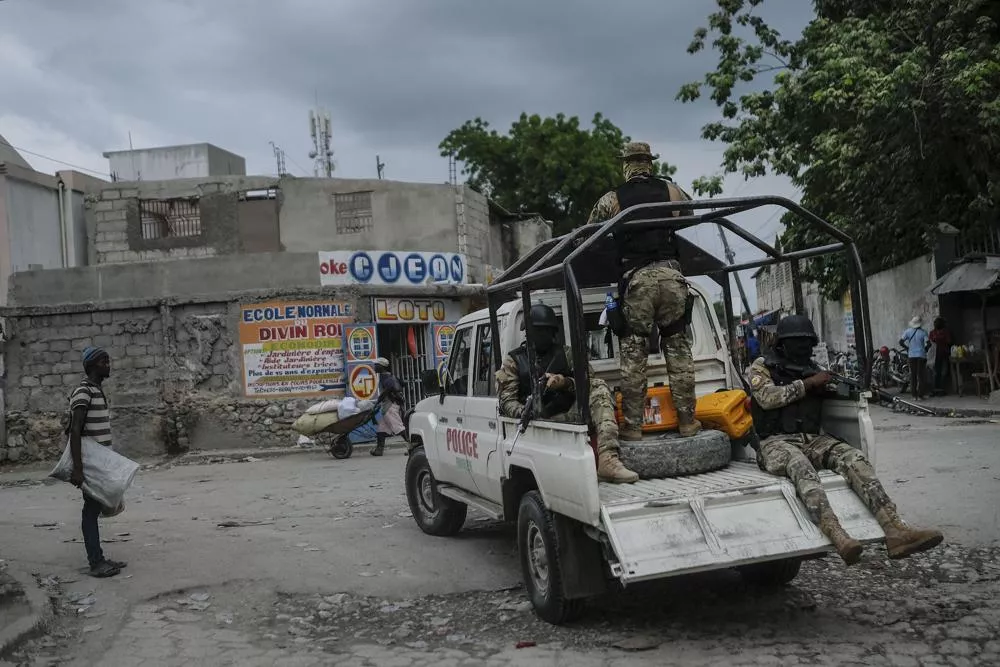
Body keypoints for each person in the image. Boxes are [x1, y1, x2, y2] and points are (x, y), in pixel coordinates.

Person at [748, 315, 942, 565]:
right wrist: (807, 385)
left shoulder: (811, 367)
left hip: (811, 438)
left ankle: (896, 531)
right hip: (774, 443)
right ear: (782, 343)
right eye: (797, 341)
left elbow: (827, 393)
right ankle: (837, 535)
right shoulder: (762, 366)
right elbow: (767, 398)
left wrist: (832, 388)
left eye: (807, 342)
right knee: (801, 467)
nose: (803, 347)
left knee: (854, 458)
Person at [588, 142, 700, 441]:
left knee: (634, 354)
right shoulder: (672, 190)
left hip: (638, 280)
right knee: (678, 349)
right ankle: (688, 422)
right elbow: (691, 212)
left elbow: (589, 233)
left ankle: (633, 427)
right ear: (650, 164)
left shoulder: (612, 199)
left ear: (625, 165)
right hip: (672, 276)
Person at [496, 304, 638, 484]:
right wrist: (525, 411)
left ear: (553, 333)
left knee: (599, 386)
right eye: (538, 331)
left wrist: (564, 382)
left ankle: (608, 459)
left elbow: (588, 380)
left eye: (546, 331)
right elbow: (506, 400)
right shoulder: (514, 361)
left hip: (569, 415)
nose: (542, 336)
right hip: (539, 424)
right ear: (528, 333)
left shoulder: (566, 354)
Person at [68, 347, 126, 578]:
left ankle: (99, 557)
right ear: (92, 366)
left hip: (99, 462)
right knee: (90, 510)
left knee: (95, 508)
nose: (108, 365)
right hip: (90, 464)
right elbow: (74, 429)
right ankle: (96, 562)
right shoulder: (83, 391)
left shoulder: (96, 390)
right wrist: (78, 469)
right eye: (104, 361)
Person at [372, 357, 405, 456]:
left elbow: (388, 389)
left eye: (376, 365)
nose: (374, 367)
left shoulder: (386, 377)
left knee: (399, 428)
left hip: (390, 405)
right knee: (381, 429)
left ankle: (413, 446)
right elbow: (401, 384)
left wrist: (379, 400)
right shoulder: (388, 375)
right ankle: (379, 450)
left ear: (381, 366)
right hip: (387, 405)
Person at [900, 316, 930, 400]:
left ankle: (914, 395)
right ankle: (920, 395)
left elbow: (901, 342)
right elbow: (928, 343)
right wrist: (925, 350)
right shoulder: (923, 332)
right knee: (921, 376)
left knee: (913, 375)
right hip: (921, 356)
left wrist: (907, 349)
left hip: (911, 356)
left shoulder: (908, 332)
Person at [928, 317, 952, 396]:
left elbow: (949, 342)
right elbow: (948, 342)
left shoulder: (939, 332)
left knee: (940, 373)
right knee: (938, 373)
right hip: (937, 355)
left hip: (940, 354)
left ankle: (938, 390)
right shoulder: (939, 332)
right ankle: (937, 390)